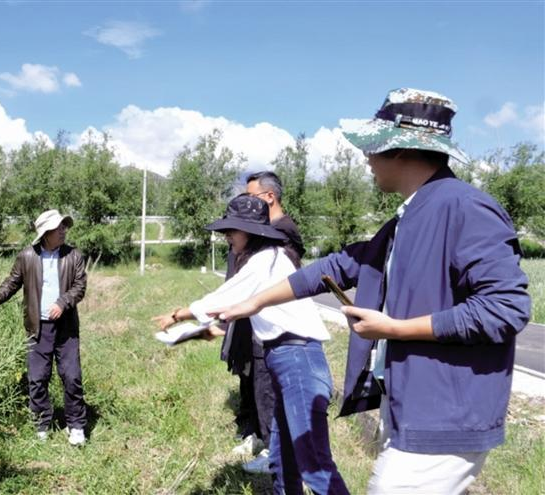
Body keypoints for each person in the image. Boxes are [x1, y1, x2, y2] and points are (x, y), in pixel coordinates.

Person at [216, 88, 531, 494]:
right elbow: (339, 266)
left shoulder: (465, 208)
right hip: (413, 407)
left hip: (445, 418)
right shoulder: (410, 214)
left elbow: (505, 309)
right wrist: (254, 301)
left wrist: (394, 329)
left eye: (372, 148)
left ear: (400, 151)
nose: (366, 159)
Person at [153, 194, 350, 495]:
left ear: (251, 231)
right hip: (287, 359)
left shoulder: (265, 261)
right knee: (283, 458)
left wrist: (177, 315)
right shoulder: (269, 260)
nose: (227, 237)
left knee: (313, 463)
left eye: (232, 230)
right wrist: (204, 331)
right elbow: (249, 312)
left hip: (297, 360)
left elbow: (223, 299)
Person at [227, 171, 306, 474]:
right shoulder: (264, 230)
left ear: (269, 197)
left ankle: (277, 456)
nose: (247, 205)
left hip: (272, 322)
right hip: (252, 315)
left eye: (252, 198)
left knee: (267, 388)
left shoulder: (282, 232)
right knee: (252, 380)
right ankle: (260, 438)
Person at [0, 209, 88, 446]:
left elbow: (79, 286)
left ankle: (75, 426)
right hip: (37, 327)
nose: (63, 230)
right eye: (58, 227)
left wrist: (63, 303)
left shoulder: (73, 255)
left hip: (66, 328)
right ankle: (42, 424)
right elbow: (13, 281)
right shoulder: (27, 256)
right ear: (45, 233)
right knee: (37, 377)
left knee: (72, 376)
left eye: (64, 226)